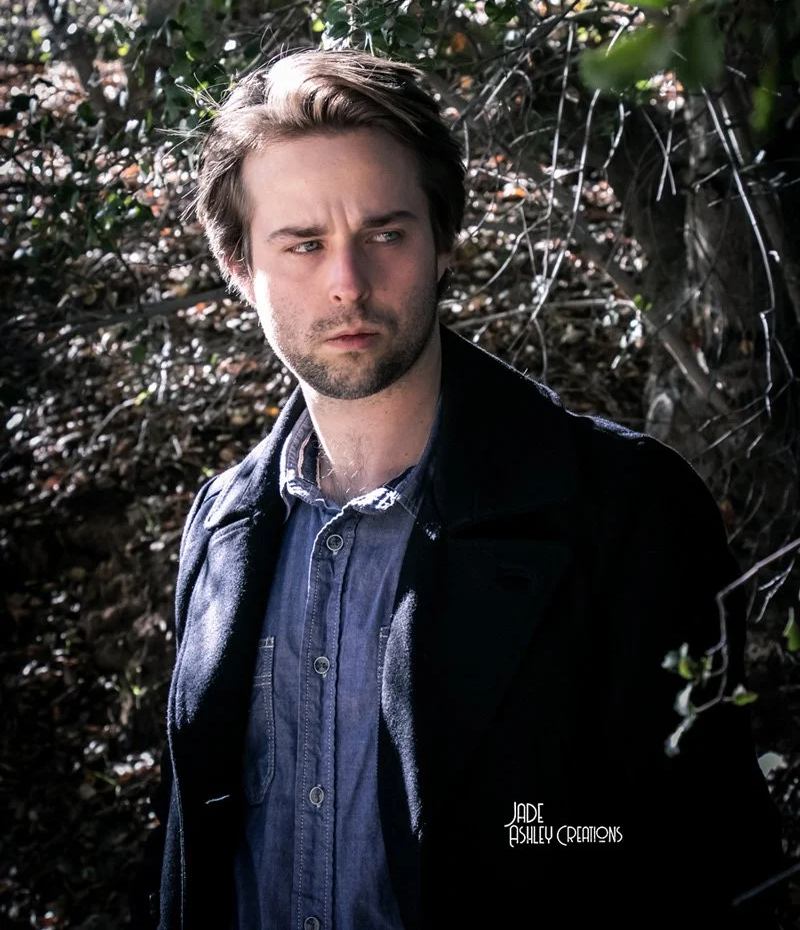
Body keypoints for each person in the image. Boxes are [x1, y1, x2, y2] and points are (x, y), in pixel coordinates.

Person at [131, 48, 786, 930]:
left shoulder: (626, 510)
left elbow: (701, 852)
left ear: (443, 242)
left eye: (385, 233)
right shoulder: (223, 526)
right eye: (304, 243)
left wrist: (533, 834)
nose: (348, 282)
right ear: (238, 266)